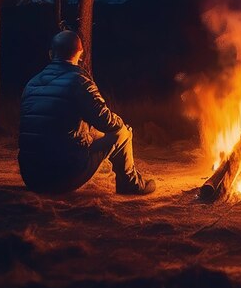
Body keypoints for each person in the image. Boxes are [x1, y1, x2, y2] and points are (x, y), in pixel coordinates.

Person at [18, 30, 155, 195]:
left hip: (31, 176)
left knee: (93, 132)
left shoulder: (31, 83)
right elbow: (106, 121)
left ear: (50, 54)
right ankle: (130, 185)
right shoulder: (79, 82)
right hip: (62, 176)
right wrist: (121, 123)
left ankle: (126, 179)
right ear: (80, 53)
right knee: (122, 132)